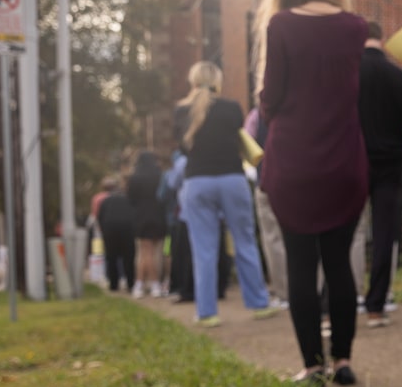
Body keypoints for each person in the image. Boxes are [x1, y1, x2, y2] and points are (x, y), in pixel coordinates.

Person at [255, 0, 369, 387]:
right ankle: (343, 360)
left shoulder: (280, 25)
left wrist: (271, 107)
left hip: (294, 164)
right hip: (344, 162)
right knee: (339, 263)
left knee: (300, 266)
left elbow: (271, 98)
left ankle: (313, 366)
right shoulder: (355, 27)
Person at [173, 62, 276, 328]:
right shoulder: (231, 108)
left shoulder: (181, 111)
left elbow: (183, 151)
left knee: (204, 248)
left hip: (197, 182)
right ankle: (258, 303)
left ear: (193, 81)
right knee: (244, 241)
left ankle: (207, 312)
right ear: (218, 82)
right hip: (232, 179)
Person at [358, 21, 402, 327]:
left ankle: (336, 301)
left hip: (354, 160)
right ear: (382, 39)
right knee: (385, 233)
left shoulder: (347, 74)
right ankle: (375, 306)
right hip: (391, 163)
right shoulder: (399, 76)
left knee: (345, 233)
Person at [244, 105, 289, 308]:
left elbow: (245, 146)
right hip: (298, 178)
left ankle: (283, 292)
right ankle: (310, 288)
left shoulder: (256, 115)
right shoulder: (301, 105)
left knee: (272, 238)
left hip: (266, 180)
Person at [126, 150, 167, 298]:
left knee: (144, 252)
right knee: (158, 252)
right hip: (159, 216)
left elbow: (130, 199)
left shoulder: (135, 178)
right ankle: (150, 283)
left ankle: (145, 284)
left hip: (141, 217)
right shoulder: (160, 175)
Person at [95, 177, 135, 294]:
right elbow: (133, 215)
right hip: (127, 230)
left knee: (111, 257)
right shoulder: (128, 200)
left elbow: (100, 217)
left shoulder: (106, 201)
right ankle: (130, 283)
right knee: (129, 257)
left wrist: (103, 230)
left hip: (110, 230)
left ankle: (113, 284)